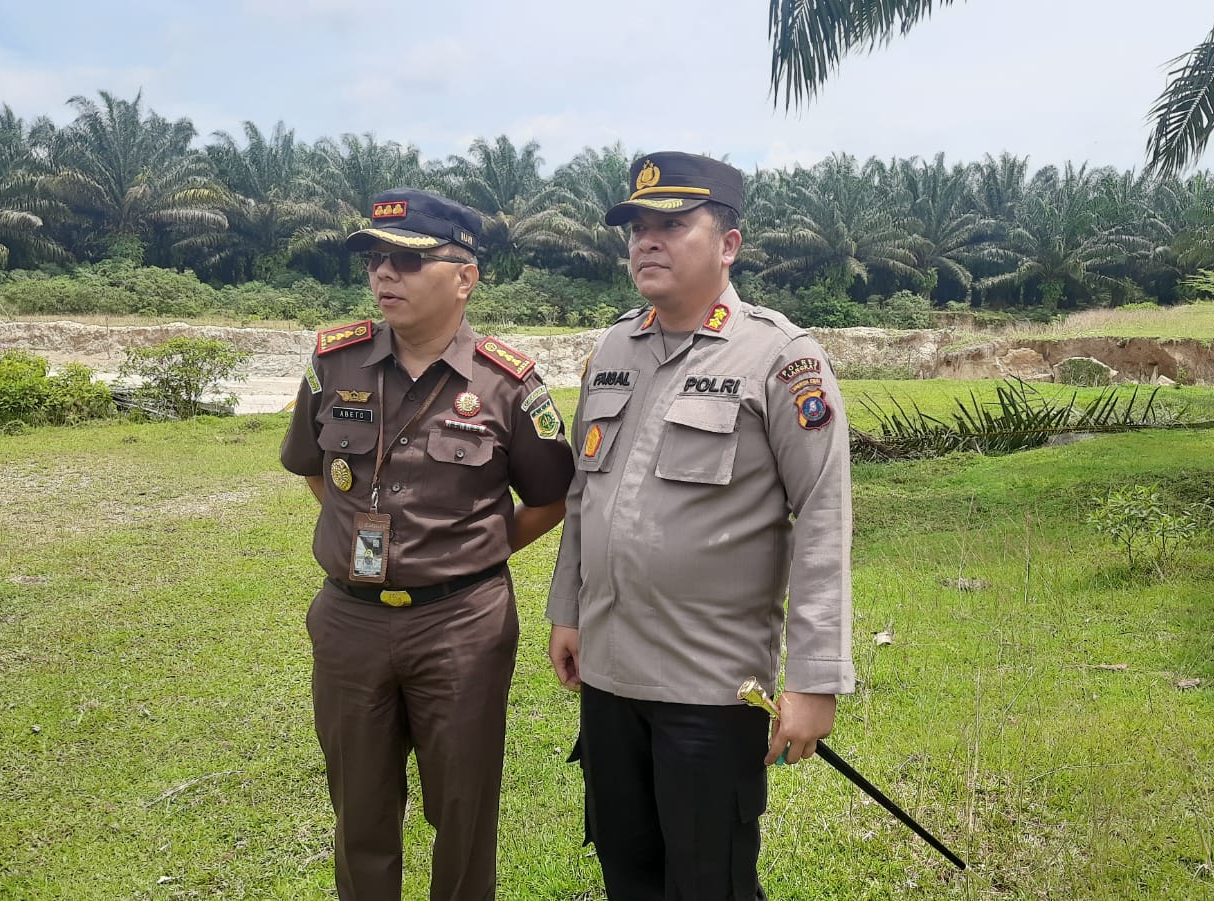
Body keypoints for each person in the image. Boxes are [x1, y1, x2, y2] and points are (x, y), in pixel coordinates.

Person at [545, 152, 856, 898]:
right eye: (637, 227)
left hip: (711, 687)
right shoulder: (612, 349)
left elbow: (823, 514)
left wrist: (814, 679)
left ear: (728, 244)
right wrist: (567, 612)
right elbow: (585, 495)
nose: (647, 240)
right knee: (627, 871)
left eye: (673, 224)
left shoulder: (780, 357)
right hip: (610, 675)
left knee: (707, 881)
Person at [280, 187, 575, 899]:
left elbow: (551, 496)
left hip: (460, 625)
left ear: (464, 277)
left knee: (464, 812)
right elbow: (315, 469)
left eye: (409, 261)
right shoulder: (334, 362)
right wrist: (360, 536)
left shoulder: (507, 383)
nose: (385, 274)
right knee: (359, 812)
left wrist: (469, 550)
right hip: (350, 622)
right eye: (376, 259)